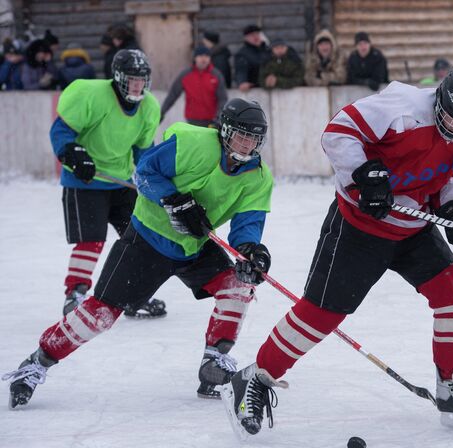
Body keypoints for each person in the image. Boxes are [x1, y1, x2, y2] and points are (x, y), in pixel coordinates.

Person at [223, 65, 453, 437]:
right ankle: (254, 377)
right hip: (360, 227)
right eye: (452, 120)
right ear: (438, 101)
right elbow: (336, 132)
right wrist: (365, 174)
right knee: (321, 314)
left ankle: (451, 388)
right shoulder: (400, 108)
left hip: (412, 225)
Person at [4, 98, 274, 409]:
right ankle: (38, 361)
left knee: (238, 286)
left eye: (255, 138)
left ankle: (214, 363)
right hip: (147, 241)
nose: (248, 144)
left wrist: (251, 252)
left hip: (194, 247)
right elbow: (144, 172)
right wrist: (174, 200)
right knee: (99, 315)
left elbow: (248, 224)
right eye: (242, 135)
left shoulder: (259, 177)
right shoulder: (193, 143)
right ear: (224, 131)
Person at [48, 49, 165, 318]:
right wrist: (73, 153)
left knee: (138, 240)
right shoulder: (91, 96)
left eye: (142, 80)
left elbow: (144, 151)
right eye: (132, 80)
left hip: (121, 182)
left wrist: (156, 179)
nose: (137, 86)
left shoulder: (149, 107)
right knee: (91, 240)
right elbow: (61, 131)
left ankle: (132, 294)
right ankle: (75, 293)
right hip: (85, 181)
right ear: (118, 77)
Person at [161, 46, 228, 127]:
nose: (204, 59)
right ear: (195, 58)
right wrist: (161, 112)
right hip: (192, 122)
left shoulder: (216, 75)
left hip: (212, 122)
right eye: (200, 56)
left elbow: (223, 99)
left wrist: (218, 117)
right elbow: (173, 95)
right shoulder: (185, 75)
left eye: (206, 56)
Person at [234, 24, 270, 92]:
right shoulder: (242, 54)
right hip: (254, 90)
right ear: (246, 38)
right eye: (252, 35)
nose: (255, 37)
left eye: (257, 34)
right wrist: (242, 82)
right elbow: (241, 71)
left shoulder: (268, 50)